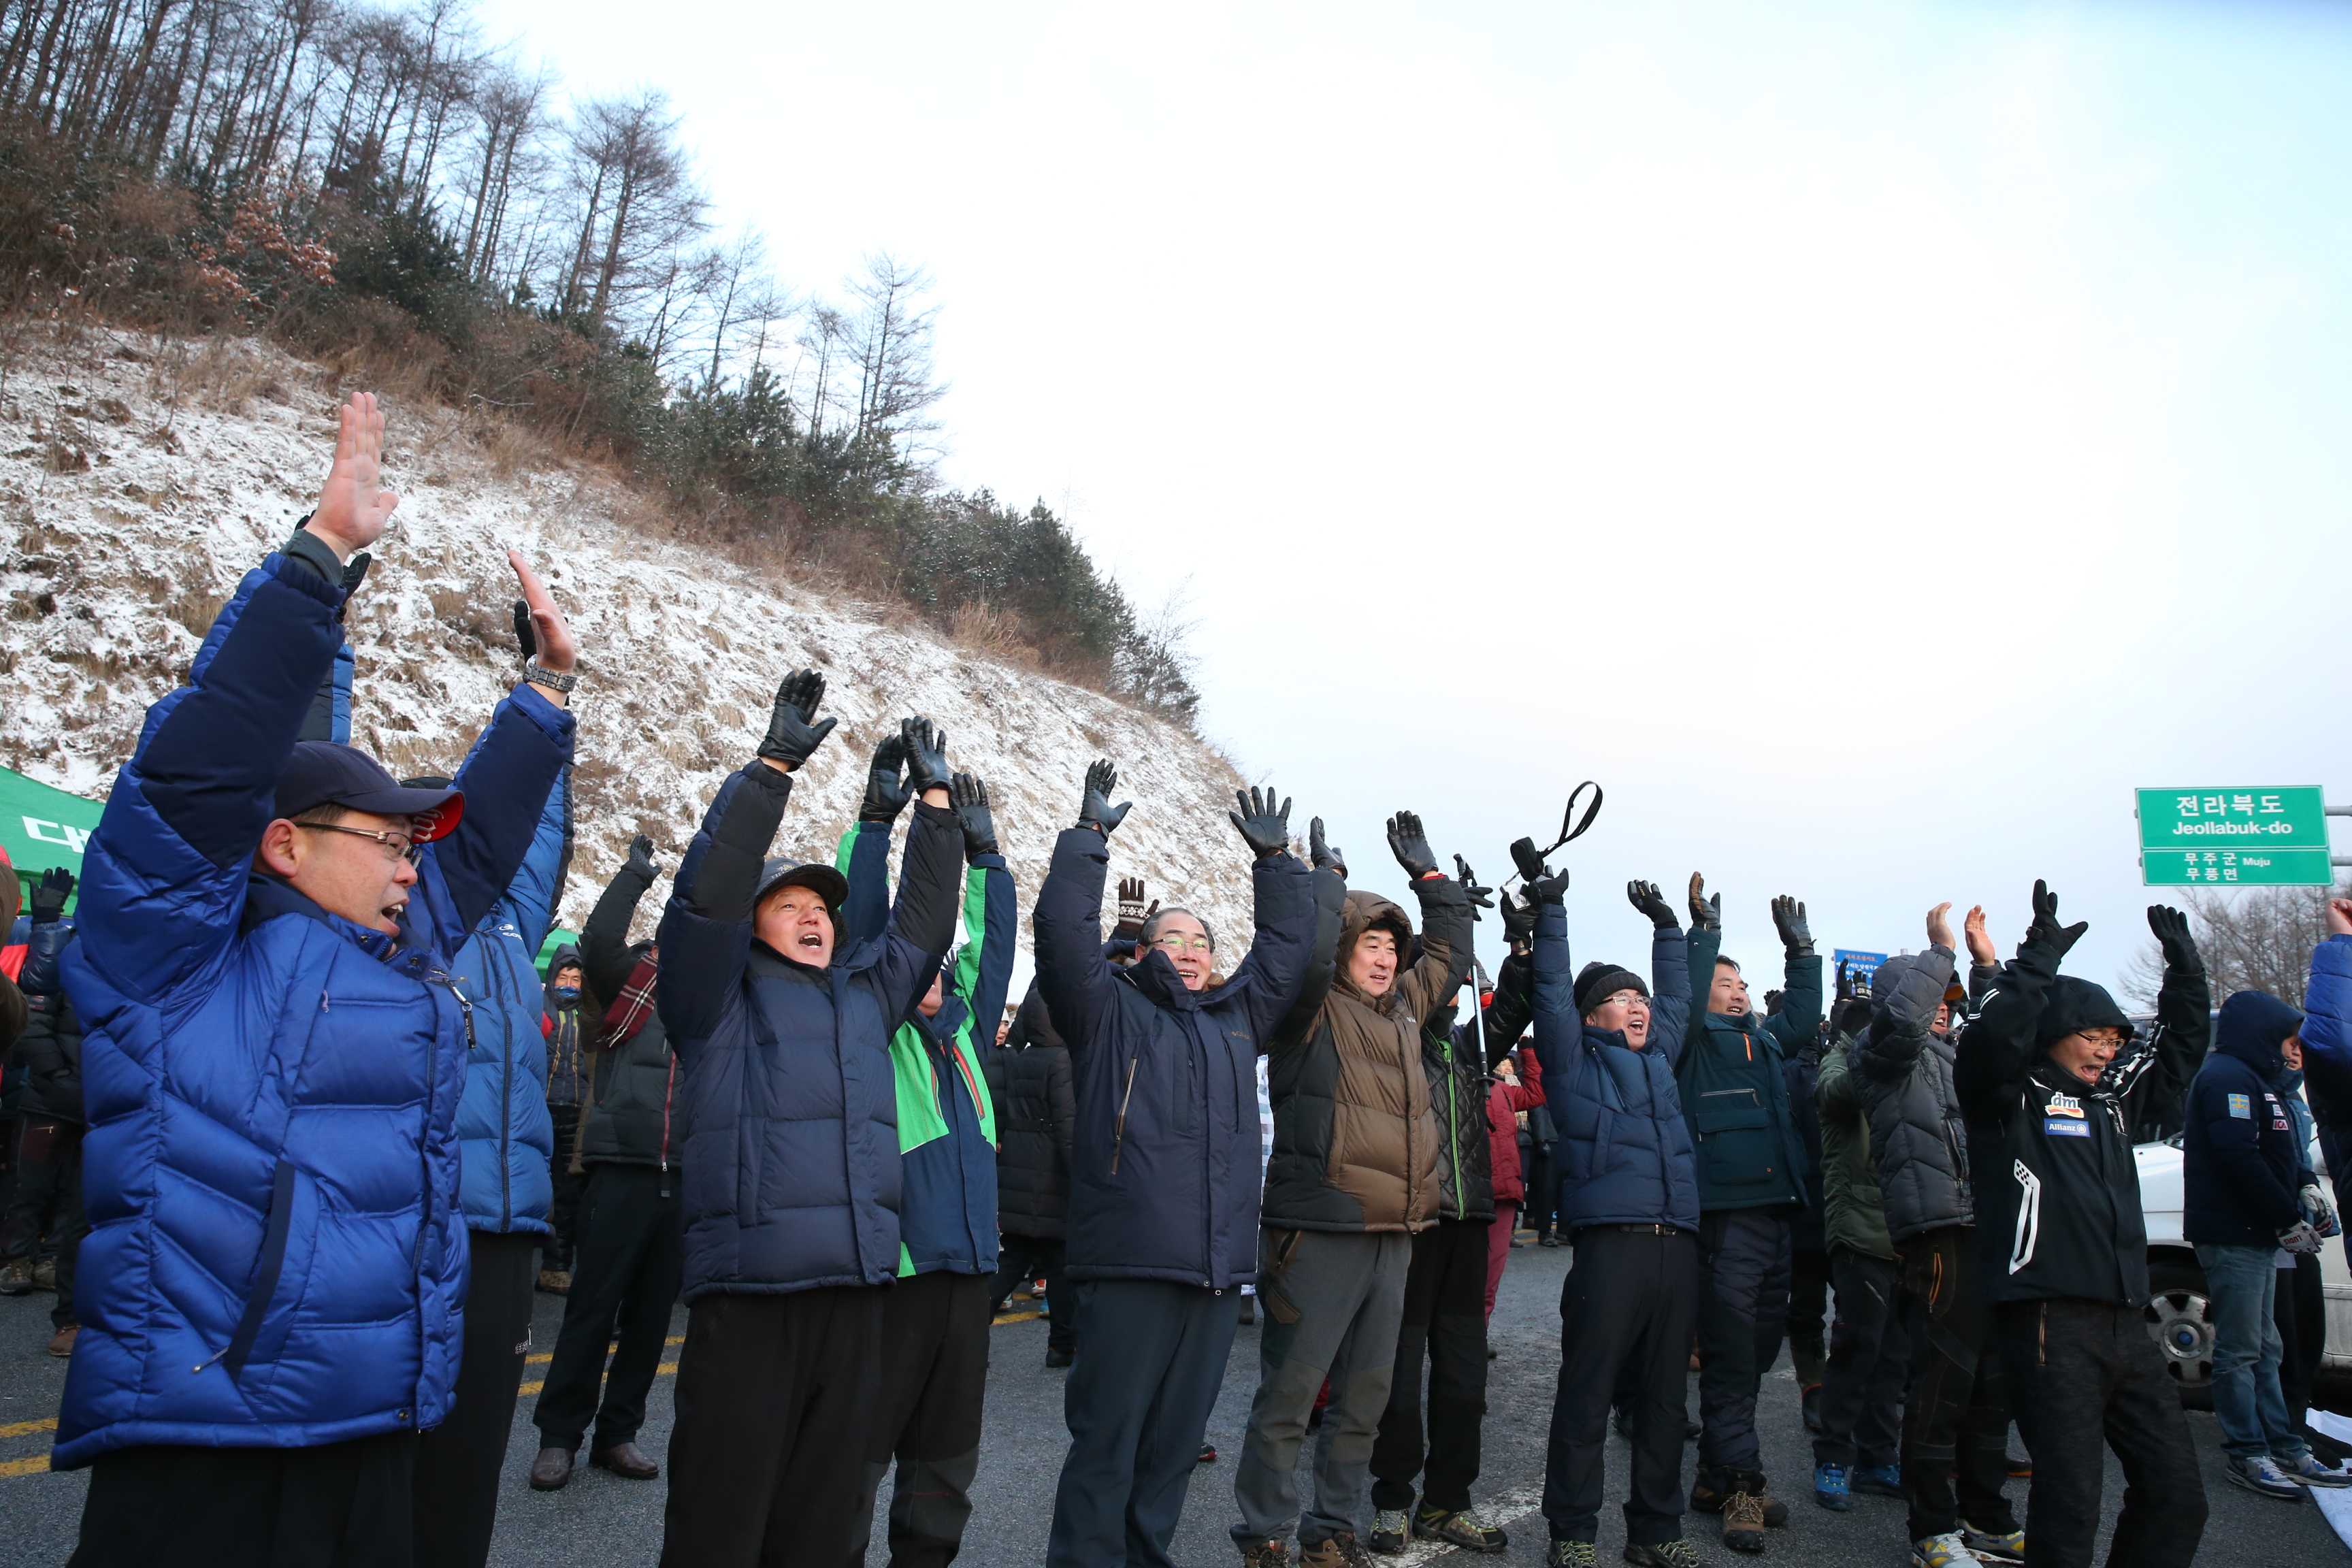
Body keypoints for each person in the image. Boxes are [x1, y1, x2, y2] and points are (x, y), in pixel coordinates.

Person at [55, 394, 576, 1567]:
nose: (411, 864)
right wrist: (318, 564)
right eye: (387, 839)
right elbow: (200, 770)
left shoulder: (400, 944)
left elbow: (483, 843)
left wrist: (546, 696)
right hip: (213, 1437)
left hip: (372, 1426)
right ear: (284, 843)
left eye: (411, 845)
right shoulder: (174, 956)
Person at [653, 692, 966, 1568]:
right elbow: (704, 901)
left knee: (826, 1526)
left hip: (858, 1293)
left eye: (820, 907)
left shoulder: (867, 998)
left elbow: (925, 923)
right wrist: (770, 774)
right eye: (788, 904)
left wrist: (936, 810)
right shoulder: (713, 999)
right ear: (751, 924)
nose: (812, 915)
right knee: (722, 1521)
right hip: (753, 1295)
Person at [1036, 765, 1316, 1568]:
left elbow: (1285, 956)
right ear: (1144, 950)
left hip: (1216, 1275)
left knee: (1172, 1451)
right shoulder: (1107, 1008)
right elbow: (1061, 937)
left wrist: (1277, 867)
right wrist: (1087, 841)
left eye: (1201, 943)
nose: (1188, 952)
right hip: (1129, 1265)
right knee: (1108, 1446)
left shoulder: (1237, 1018)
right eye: (1172, 940)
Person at [1234, 812, 1472, 1567]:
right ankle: (1265, 1534)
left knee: (1364, 1404)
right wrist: (1326, 886)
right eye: (1371, 945)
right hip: (1318, 1231)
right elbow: (1301, 954)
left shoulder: (1405, 1010)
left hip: (1393, 1237)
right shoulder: (1307, 1010)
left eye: (1392, 948)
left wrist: (1432, 882)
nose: (1385, 958)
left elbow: (1451, 955)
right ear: (1343, 949)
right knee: (1288, 1398)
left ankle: (1330, 1530)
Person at [1957, 885, 2212, 1568]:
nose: (2105, 1051)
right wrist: (2037, 959)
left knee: (2177, 1495)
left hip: (2126, 1320)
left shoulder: (2114, 1103)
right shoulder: (2009, 1099)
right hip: (2049, 1321)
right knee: (2071, 1505)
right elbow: (1993, 1040)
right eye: (2091, 1037)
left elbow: (2181, 1054)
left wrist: (2186, 973)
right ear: (2054, 1035)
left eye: (2113, 1040)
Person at [400, 608, 578, 1568]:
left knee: (470, 1469)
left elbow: (535, 822)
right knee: (394, 1456)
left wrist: (545, 697)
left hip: (510, 1231)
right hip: (426, 1219)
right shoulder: (405, 928)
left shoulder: (513, 925)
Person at [838, 735, 1018, 1568]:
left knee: (946, 1461)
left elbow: (991, 946)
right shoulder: (872, 1027)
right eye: (921, 968)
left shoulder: (968, 1036)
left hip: (969, 1276)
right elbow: (868, 923)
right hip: (897, 1277)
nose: (935, 978)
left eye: (942, 970)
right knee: (858, 1452)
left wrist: (990, 861)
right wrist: (877, 824)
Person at [1532, 872, 1703, 1568]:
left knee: (1665, 1403)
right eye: (1620, 999)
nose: (1637, 1007)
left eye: (1640, 998)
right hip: (1611, 1246)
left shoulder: (1660, 1059)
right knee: (1588, 1391)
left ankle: (1656, 1531)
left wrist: (1669, 929)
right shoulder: (1572, 1063)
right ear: (1589, 1017)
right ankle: (1573, 1533)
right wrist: (1552, 911)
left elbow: (1680, 1000)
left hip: (1676, 1244)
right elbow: (1551, 990)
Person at [1849, 907, 2021, 1567]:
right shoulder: (1880, 1057)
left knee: (1993, 1386)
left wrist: (1985, 967)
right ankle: (1932, 1529)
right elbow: (1900, 1026)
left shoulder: (1959, 1059)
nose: (1944, 1008)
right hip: (1935, 1232)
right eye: (1934, 996)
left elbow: (2004, 1038)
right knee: (1942, 1384)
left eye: (1951, 999)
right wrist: (1941, 952)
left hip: (1989, 1229)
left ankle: (1987, 1518)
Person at [1362, 855, 1523, 1556]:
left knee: (1463, 1380)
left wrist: (1523, 939)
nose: (1451, 991)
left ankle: (1448, 1500)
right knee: (1396, 1378)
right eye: (1439, 979)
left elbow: (1516, 1000)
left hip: (1468, 1225)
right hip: (1411, 1225)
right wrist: (1435, 895)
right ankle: (1392, 1500)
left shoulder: (1469, 1048)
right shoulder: (1388, 1036)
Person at [529, 835, 686, 1491]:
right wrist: (633, 877)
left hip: (684, 1176)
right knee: (592, 1310)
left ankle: (618, 1434)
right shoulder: (635, 979)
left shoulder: (716, 997)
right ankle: (559, 1436)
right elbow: (596, 942)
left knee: (650, 1320)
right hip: (620, 1165)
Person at [1678, 875, 1820, 1550]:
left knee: (1760, 1350)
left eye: (1742, 985)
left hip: (1777, 1214)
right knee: (1733, 1355)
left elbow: (1802, 1019)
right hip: (1726, 1217)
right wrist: (1704, 936)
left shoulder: (1763, 1042)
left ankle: (1713, 1474)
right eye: (1724, 983)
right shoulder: (1692, 1043)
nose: (1737, 993)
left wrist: (1802, 955)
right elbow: (1686, 993)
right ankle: (1742, 1486)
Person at [2182, 981, 2350, 1497]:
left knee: (2266, 1345)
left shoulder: (2262, 1081)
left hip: (2258, 1234)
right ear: (2261, 1032)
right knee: (2240, 1351)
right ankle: (2247, 1453)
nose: (2294, 1048)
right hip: (2235, 1233)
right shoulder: (2226, 1078)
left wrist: (2304, 1183)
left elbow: (2281, 1150)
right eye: (2289, 1038)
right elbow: (2239, 1157)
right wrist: (2284, 1219)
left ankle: (2285, 1444)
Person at [1809, 973, 1908, 1513]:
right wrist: (1874, 1049)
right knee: (1855, 1352)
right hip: (1860, 1230)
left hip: (1908, 1229)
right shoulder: (1841, 1058)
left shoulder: (1922, 1058)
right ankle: (1833, 1457)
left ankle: (1878, 1457)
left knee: (1894, 1357)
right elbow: (1838, 1095)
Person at [5, 866, 86, 1357]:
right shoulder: (63, 954)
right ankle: (16, 1260)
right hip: (49, 1099)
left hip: (96, 1103)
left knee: (77, 1196)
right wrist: (56, 1074)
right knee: (31, 1185)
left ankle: (50, 1261)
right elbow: (32, 1017)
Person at [990, 980, 1078, 1366]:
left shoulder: (1022, 1057)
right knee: (1059, 1263)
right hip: (1051, 1175)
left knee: (1013, 1257)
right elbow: (1068, 1125)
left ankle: (964, 1333)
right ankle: (1062, 1345)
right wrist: (1081, 1175)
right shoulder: (1063, 1061)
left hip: (1019, 1167)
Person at [540, 943, 589, 1291]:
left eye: (576, 979)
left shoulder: (588, 1014)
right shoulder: (540, 1008)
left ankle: (555, 1268)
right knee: (534, 1189)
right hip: (538, 1112)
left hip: (575, 1112)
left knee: (569, 1195)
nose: (569, 984)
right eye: (563, 977)